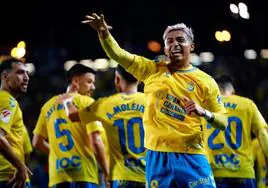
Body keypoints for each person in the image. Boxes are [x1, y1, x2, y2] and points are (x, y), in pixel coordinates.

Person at [73, 13, 229, 187]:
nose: (175, 44)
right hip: (156, 157)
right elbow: (118, 55)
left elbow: (223, 122)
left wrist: (204, 112)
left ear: (191, 46)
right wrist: (103, 32)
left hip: (191, 155)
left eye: (180, 40)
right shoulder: (151, 70)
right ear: (164, 50)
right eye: (169, 42)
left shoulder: (206, 81)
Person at [62, 65, 146, 188]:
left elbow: (72, 115)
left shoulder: (105, 104)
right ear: (138, 79)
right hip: (149, 176)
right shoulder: (150, 101)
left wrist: (67, 100)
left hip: (121, 177)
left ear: (117, 79)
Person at [32, 64, 109, 188]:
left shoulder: (47, 106)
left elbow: (36, 142)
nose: (93, 87)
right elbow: (96, 141)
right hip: (83, 173)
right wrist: (107, 172)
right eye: (89, 82)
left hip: (58, 175)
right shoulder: (87, 102)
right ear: (76, 81)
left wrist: (58, 154)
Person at [205, 75, 268, 187]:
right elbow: (262, 134)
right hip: (243, 172)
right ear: (233, 91)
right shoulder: (247, 104)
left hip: (213, 172)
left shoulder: (205, 106)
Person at [0, 57, 32, 188]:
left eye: (27, 73)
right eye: (20, 72)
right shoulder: (8, 101)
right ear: (5, 76)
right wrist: (21, 168)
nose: (26, 78)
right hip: (10, 177)